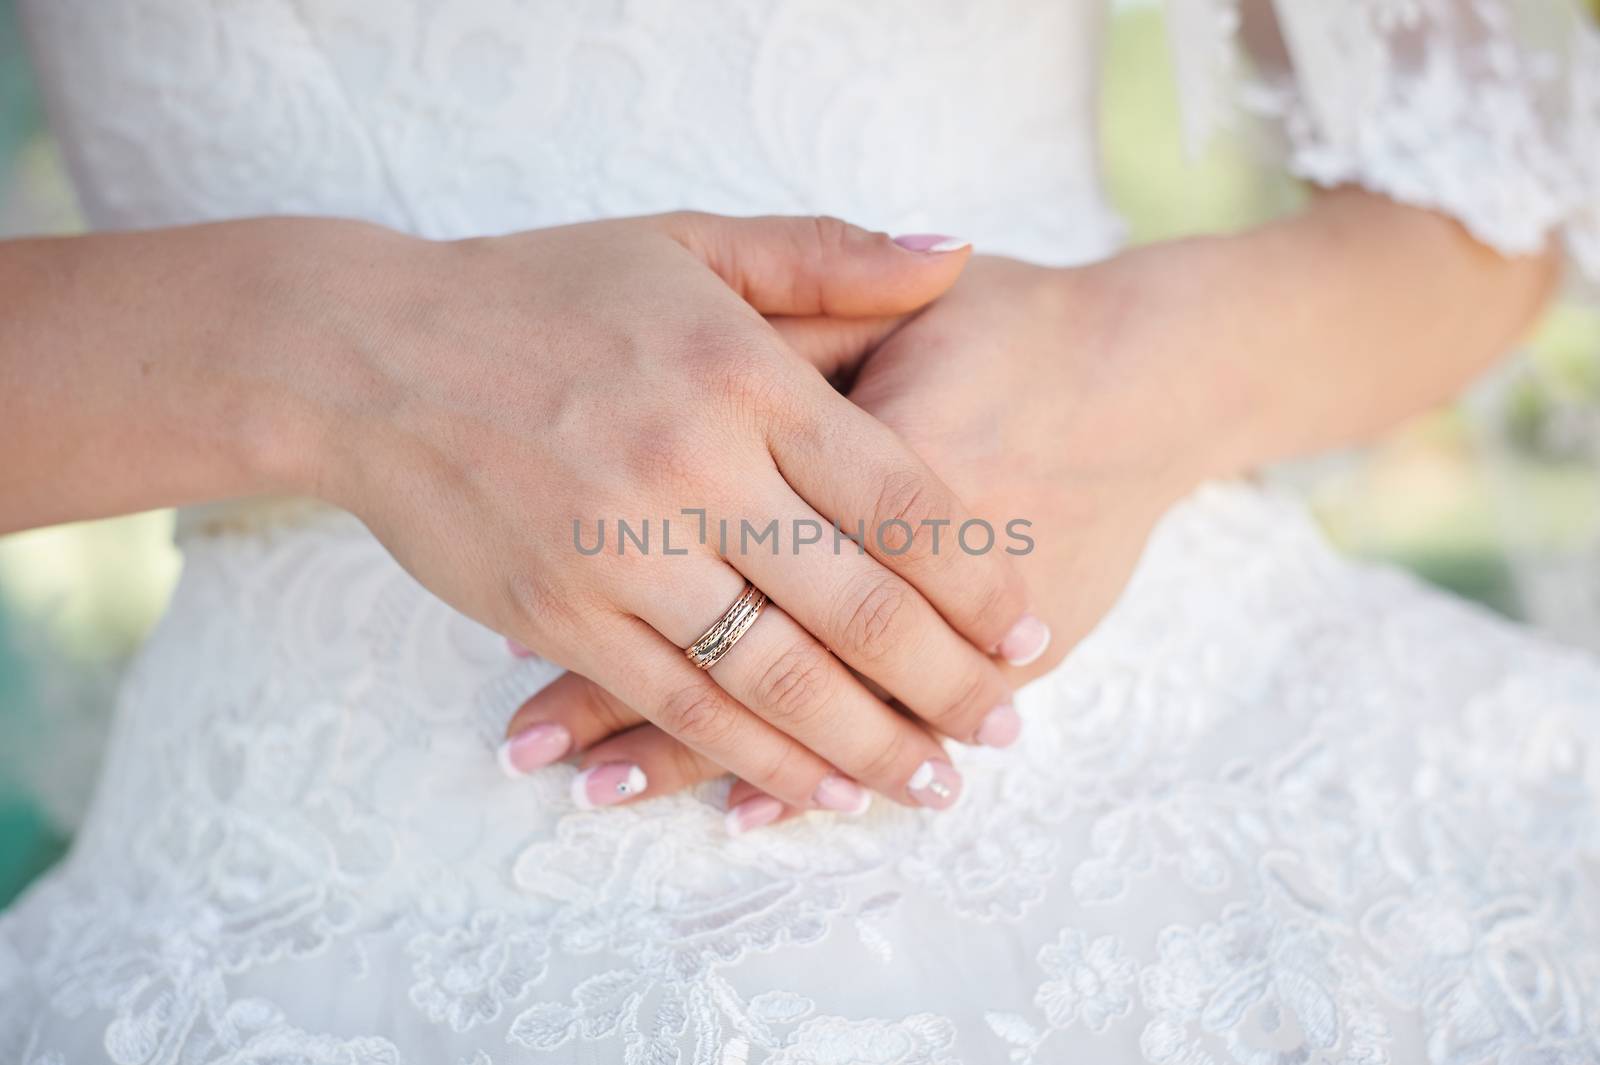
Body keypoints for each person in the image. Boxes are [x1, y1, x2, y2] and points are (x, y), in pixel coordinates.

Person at [1, 1, 1596, 1061]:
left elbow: (1483, 194)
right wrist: (352, 356)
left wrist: (1133, 372)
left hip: (1207, 717)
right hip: (322, 865)